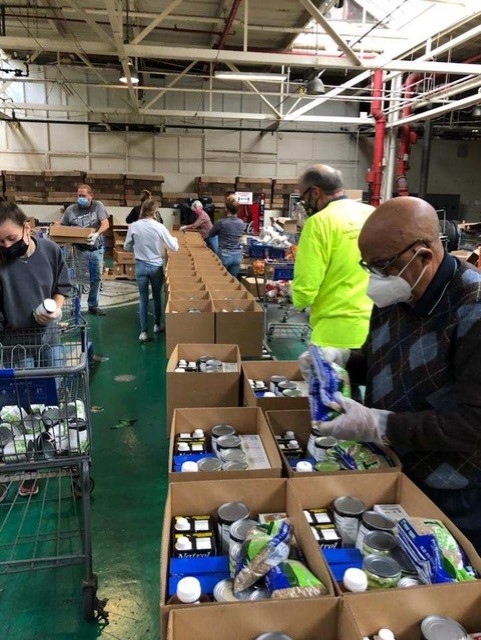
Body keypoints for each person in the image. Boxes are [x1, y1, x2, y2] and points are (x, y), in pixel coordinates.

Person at [314, 196, 481, 551]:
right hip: (392, 464)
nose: (375, 279)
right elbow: (381, 359)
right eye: (368, 266)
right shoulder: (398, 293)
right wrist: (340, 359)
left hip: (452, 490)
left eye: (382, 266)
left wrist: (380, 425)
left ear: (424, 256)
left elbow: (473, 425)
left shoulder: (473, 309)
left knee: (446, 571)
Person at [0, 202, 71, 498]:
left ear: (27, 228)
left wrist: (56, 310)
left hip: (48, 339)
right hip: (15, 344)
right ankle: (25, 466)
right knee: (22, 408)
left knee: (49, 401)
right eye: (0, 242)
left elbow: (61, 288)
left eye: (11, 238)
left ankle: (46, 452)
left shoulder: (50, 251)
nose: (6, 246)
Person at [292, 165, 374, 348]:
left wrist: (298, 298)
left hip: (335, 332)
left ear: (315, 192)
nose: (305, 204)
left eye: (304, 198)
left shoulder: (318, 223)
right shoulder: (371, 213)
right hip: (375, 328)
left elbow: (306, 287)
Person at [124, 198, 179, 343]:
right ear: (155, 212)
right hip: (155, 266)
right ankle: (157, 324)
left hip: (140, 266)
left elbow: (126, 246)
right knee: (156, 296)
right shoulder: (159, 226)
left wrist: (137, 248)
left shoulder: (134, 226)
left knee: (143, 299)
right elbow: (174, 247)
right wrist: (175, 239)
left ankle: (143, 332)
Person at [59, 184, 109, 316]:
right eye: (79, 195)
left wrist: (97, 234)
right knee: (79, 280)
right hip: (79, 250)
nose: (80, 198)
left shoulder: (98, 206)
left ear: (90, 196)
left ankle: (93, 305)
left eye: (83, 195)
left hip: (96, 249)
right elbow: (62, 226)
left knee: (96, 278)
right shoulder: (71, 210)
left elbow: (105, 223)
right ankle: (76, 307)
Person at [207, 195, 245, 277]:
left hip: (225, 255)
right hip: (237, 256)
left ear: (226, 209)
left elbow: (211, 234)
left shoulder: (221, 222)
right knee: (232, 281)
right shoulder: (241, 223)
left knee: (222, 280)